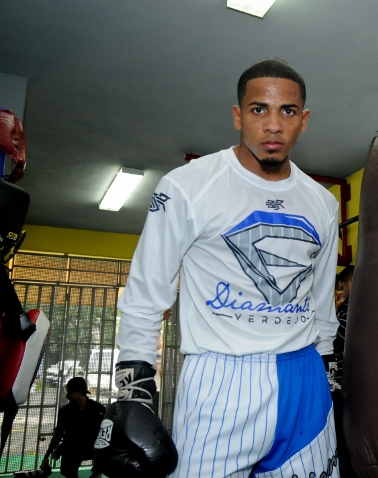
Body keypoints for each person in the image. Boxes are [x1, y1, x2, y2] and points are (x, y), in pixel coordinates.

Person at [103, 58, 340, 478]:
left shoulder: (322, 202)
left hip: (304, 379)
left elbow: (322, 304)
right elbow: (146, 294)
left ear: (303, 121)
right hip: (220, 379)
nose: (272, 125)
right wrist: (134, 392)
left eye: (287, 111)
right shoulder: (187, 186)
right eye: (258, 110)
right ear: (237, 116)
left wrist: (331, 376)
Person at [42, 377, 105, 478]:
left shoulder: (98, 409)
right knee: (68, 470)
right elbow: (58, 434)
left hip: (93, 447)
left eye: (69, 392)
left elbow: (106, 433)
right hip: (73, 448)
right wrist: (47, 454)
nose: (67, 396)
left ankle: (97, 472)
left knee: (105, 449)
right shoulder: (65, 412)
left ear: (79, 391)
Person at [331, 265, 354, 478]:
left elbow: (338, 341)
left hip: (345, 381)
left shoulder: (352, 310)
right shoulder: (349, 307)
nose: (341, 290)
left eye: (343, 285)